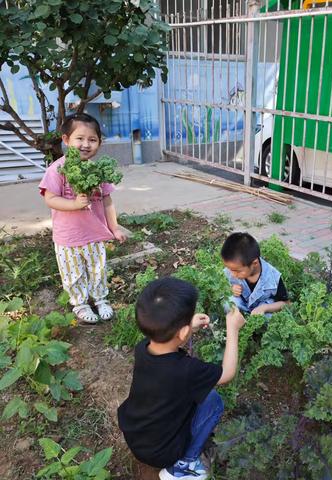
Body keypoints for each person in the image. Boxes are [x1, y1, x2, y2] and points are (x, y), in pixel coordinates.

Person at [117, 277, 245, 480]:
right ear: (182, 331)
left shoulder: (143, 348)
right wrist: (233, 330)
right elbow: (227, 373)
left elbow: (166, 337)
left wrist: (187, 327)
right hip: (163, 453)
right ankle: (183, 465)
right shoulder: (187, 370)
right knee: (213, 401)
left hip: (136, 435)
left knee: (194, 398)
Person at [39, 113, 126, 323]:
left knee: (98, 269)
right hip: (68, 238)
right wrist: (74, 204)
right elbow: (50, 199)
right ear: (66, 140)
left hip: (95, 234)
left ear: (99, 143)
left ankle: (100, 298)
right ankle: (80, 303)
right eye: (80, 138)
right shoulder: (57, 169)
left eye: (92, 140)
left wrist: (114, 227)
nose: (86, 144)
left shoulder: (99, 170)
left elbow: (107, 201)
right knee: (73, 274)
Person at [221, 232, 289, 316]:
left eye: (237, 271)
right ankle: (238, 322)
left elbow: (286, 303)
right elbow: (220, 289)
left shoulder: (274, 278)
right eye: (230, 269)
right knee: (228, 303)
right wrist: (229, 289)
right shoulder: (232, 269)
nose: (233, 274)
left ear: (255, 263)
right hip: (241, 307)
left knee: (268, 316)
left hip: (261, 310)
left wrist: (265, 308)